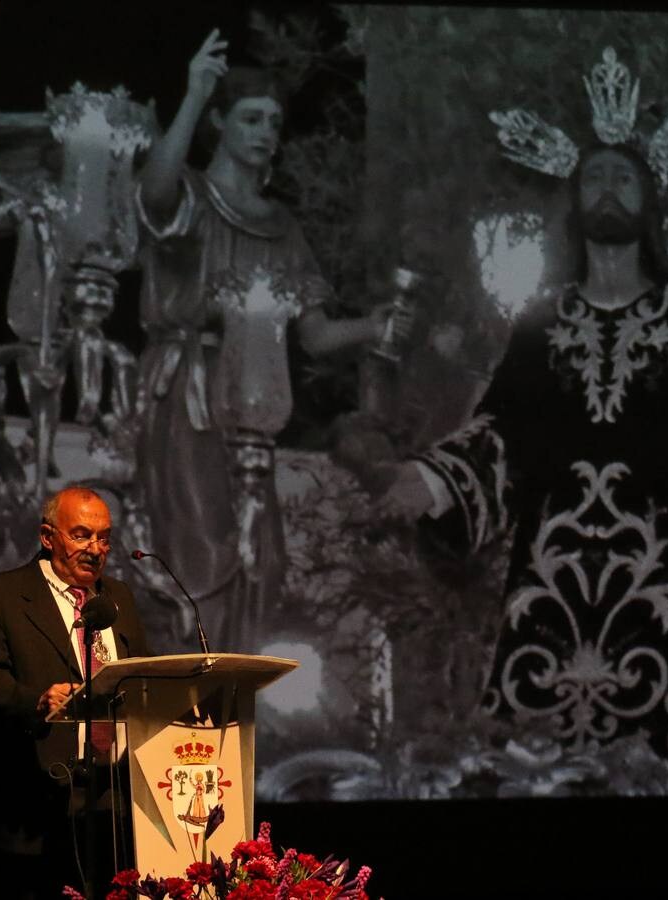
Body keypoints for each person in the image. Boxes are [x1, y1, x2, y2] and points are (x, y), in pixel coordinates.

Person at [374, 140, 668, 760]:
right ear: (574, 202)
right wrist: (431, 481)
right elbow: (501, 429)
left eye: (625, 176)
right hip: (555, 594)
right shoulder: (541, 322)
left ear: (649, 202)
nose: (610, 187)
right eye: (595, 177)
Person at [134, 29, 402, 652]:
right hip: (187, 394)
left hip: (252, 402)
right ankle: (189, 694)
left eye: (274, 123)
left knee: (264, 557)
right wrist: (194, 94)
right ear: (221, 123)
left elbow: (313, 334)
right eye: (250, 118)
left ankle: (236, 697)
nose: (264, 133)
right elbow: (153, 193)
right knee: (199, 549)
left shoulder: (282, 227)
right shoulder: (193, 198)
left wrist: (375, 327)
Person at [0, 486, 150, 900]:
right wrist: (37, 700)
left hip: (115, 801)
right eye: (81, 535)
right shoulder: (0, 596)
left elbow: (138, 675)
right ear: (48, 537)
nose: (95, 548)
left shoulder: (118, 596)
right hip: (38, 803)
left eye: (104, 538)